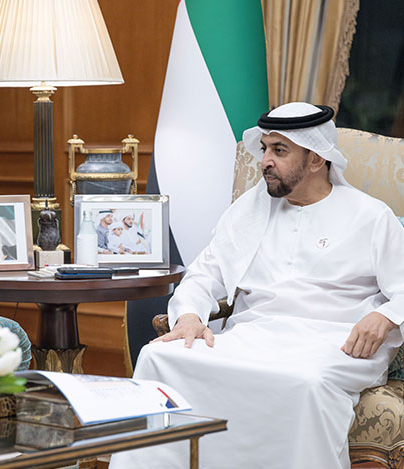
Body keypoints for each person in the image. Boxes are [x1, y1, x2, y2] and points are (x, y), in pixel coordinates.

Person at [110, 103, 404, 468]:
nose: (265, 160)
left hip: (335, 342)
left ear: (315, 159)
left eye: (279, 150)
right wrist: (188, 317)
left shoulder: (370, 216)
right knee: (159, 357)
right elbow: (203, 274)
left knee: (304, 382)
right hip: (254, 336)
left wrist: (386, 316)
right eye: (264, 148)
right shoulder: (249, 210)